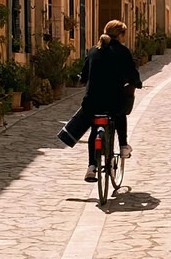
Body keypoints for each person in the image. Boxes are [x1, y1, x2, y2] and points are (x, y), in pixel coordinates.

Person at [57, 20, 141, 182]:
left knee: (95, 129)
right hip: (114, 101)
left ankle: (91, 166)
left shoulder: (94, 51)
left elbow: (84, 76)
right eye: (124, 34)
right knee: (120, 114)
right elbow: (132, 73)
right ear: (120, 35)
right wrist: (137, 83)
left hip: (92, 101)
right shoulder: (122, 51)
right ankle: (123, 145)